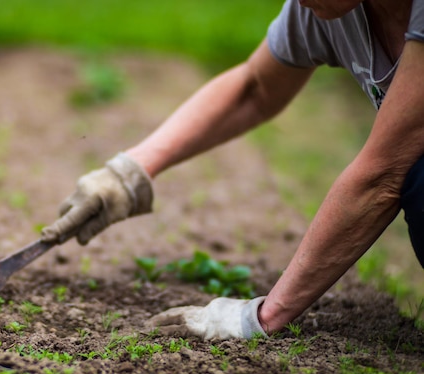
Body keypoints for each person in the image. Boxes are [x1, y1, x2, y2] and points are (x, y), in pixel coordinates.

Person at [41, 0, 424, 340]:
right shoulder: (324, 9)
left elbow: (381, 175)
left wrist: (262, 316)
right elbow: (255, 88)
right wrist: (128, 174)